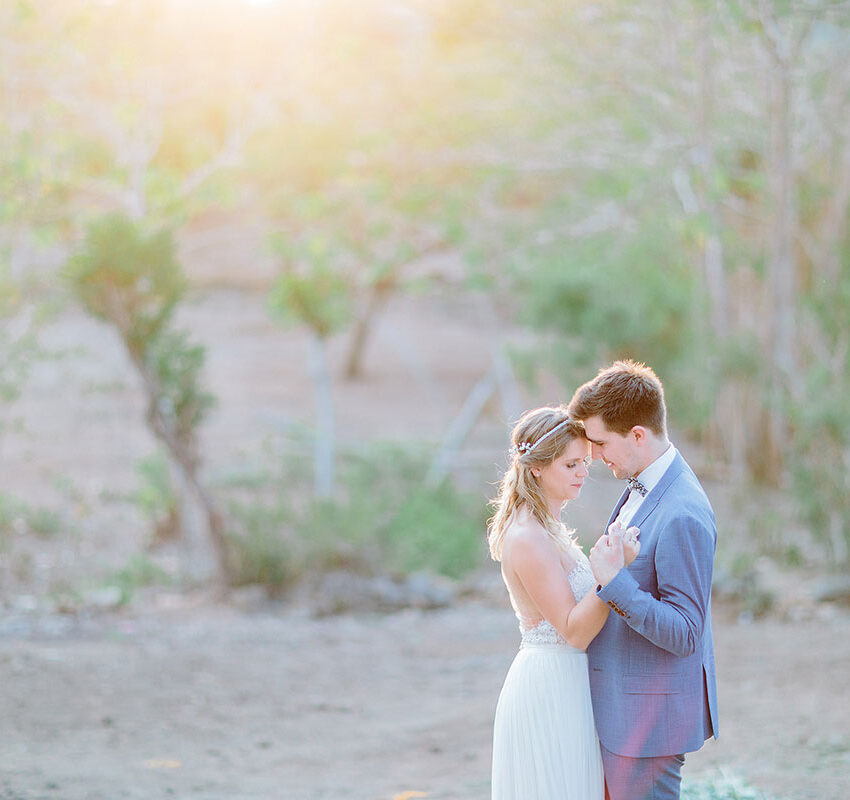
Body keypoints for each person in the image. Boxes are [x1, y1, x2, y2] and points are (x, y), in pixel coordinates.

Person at [568, 360, 719, 800]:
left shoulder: (683, 512)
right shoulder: (642, 483)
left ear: (637, 434)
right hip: (621, 709)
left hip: (648, 722)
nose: (594, 456)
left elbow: (686, 633)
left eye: (600, 443)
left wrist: (614, 584)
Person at [488, 406, 639, 800]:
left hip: (572, 682)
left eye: (585, 463)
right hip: (549, 687)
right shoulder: (527, 537)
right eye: (571, 464)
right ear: (537, 467)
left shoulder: (548, 528)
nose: (583, 473)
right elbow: (573, 632)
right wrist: (612, 576)